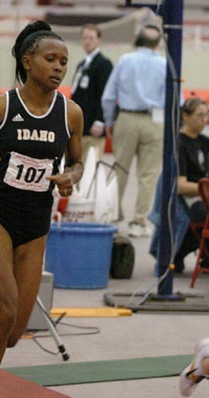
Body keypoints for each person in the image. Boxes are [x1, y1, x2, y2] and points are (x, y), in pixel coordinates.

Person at [0, 20, 83, 398]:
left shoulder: (70, 113)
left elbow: (77, 162)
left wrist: (71, 176)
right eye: (51, 59)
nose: (59, 67)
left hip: (36, 221)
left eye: (64, 61)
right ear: (28, 61)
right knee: (5, 316)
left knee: (14, 332)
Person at [101, 24, 166, 238]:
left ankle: (112, 216)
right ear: (157, 43)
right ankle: (139, 221)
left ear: (138, 39)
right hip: (154, 120)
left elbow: (109, 96)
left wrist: (110, 121)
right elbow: (174, 99)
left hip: (127, 118)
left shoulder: (125, 60)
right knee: (148, 175)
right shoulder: (165, 64)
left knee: (120, 168)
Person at [149, 98, 209, 273]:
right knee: (203, 214)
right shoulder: (178, 143)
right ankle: (178, 252)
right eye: (200, 115)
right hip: (186, 199)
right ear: (185, 116)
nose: (204, 120)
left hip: (201, 194)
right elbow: (180, 186)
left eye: (206, 115)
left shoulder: (204, 142)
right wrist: (205, 188)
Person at [71, 23, 112, 166]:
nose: (87, 41)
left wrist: (100, 120)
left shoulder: (104, 64)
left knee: (91, 166)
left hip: (93, 125)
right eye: (85, 38)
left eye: (91, 38)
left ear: (98, 40)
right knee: (77, 164)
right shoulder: (82, 64)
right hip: (80, 125)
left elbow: (106, 94)